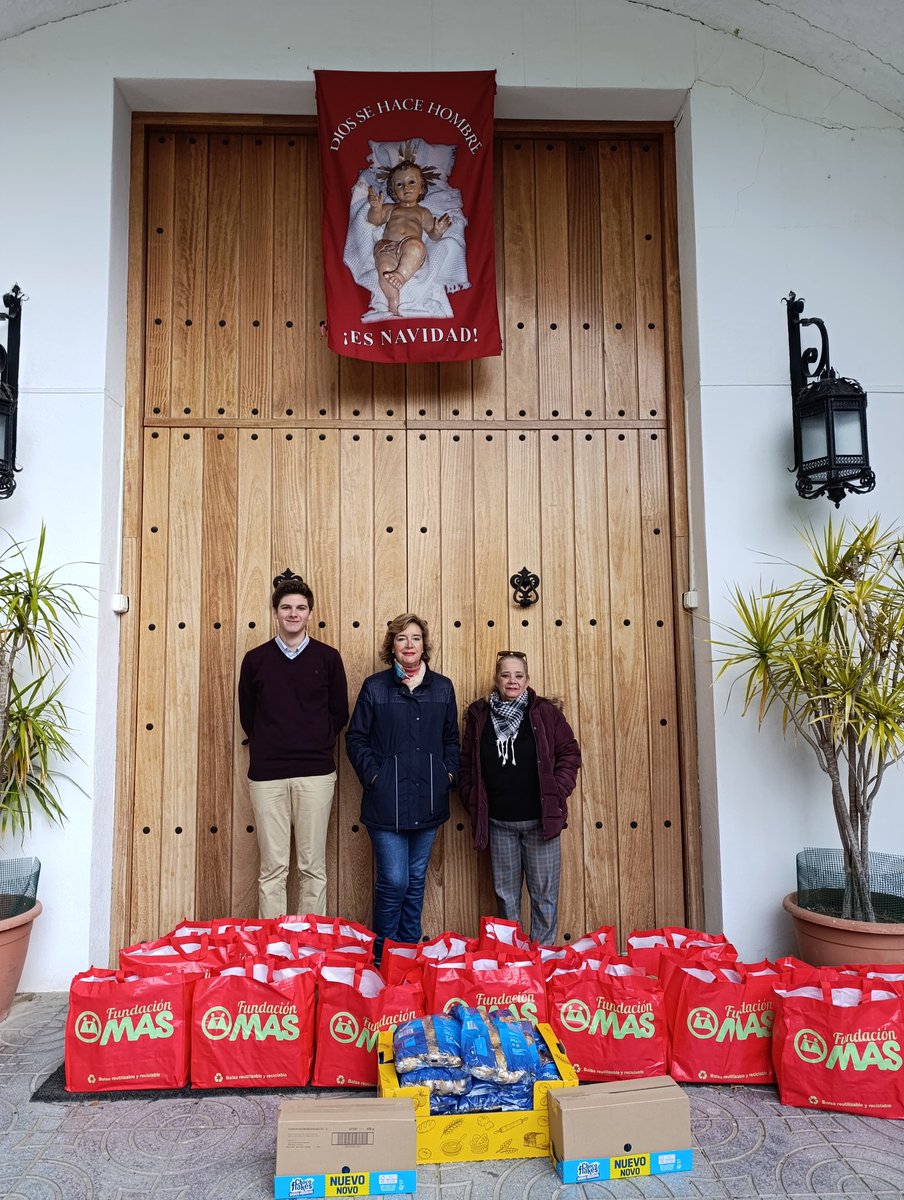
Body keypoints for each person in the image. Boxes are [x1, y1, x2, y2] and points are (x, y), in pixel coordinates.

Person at [346, 613, 459, 961]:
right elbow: (356, 737)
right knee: (393, 881)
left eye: (415, 638)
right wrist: (375, 777)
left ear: (424, 644)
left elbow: (451, 740)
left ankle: (407, 955)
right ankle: (382, 956)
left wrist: (447, 776)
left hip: (427, 800)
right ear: (391, 646)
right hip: (386, 802)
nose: (409, 645)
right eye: (401, 638)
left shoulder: (442, 687)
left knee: (414, 883)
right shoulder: (375, 687)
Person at [238, 573, 349, 919]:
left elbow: (339, 712)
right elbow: (248, 716)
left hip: (315, 774)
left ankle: (308, 946)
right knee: (273, 868)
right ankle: (272, 947)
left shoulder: (328, 659)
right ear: (275, 613)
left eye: (300, 607)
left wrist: (315, 740)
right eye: (286, 607)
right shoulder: (255, 660)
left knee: (312, 866)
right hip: (268, 776)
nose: (293, 613)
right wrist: (271, 743)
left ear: (310, 613)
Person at [459, 652, 581, 945]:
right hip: (499, 823)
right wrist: (472, 795)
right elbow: (466, 762)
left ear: (527, 680)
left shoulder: (545, 713)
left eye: (518, 676)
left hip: (540, 823)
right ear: (496, 679)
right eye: (505, 675)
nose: (512, 681)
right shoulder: (480, 715)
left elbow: (569, 753)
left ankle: (542, 960)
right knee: (505, 897)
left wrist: (557, 790)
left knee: (544, 898)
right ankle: (514, 963)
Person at [366, 161, 452, 315]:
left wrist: (438, 232)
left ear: (421, 187)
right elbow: (375, 220)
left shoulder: (423, 212)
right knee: (384, 267)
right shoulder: (391, 208)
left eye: (411, 182)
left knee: (417, 247)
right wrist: (376, 208)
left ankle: (401, 274)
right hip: (387, 247)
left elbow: (432, 235)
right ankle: (393, 300)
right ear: (393, 190)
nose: (406, 187)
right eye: (399, 184)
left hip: (409, 247)